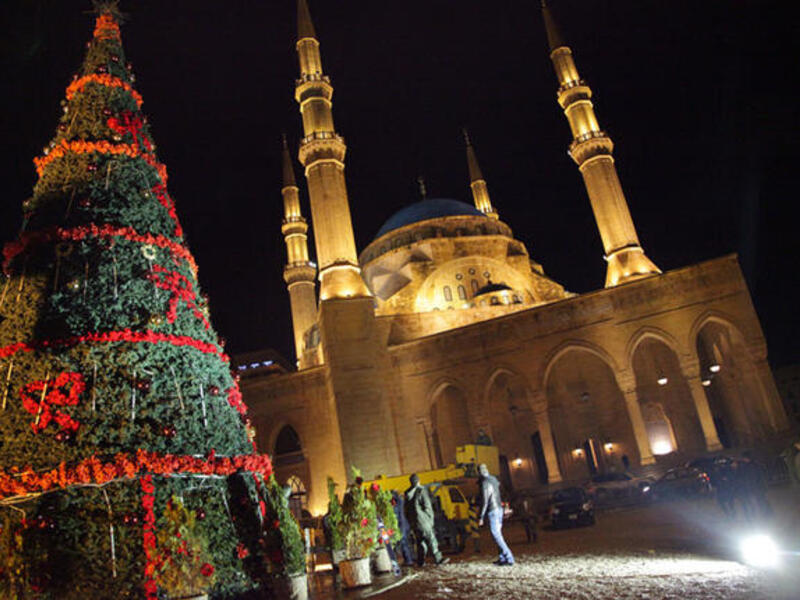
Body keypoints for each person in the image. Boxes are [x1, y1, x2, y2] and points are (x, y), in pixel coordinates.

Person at [404, 474, 449, 566]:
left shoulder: (407, 493)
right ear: (418, 481)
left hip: (414, 522)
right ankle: (438, 558)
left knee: (420, 541)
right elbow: (428, 507)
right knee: (432, 539)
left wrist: (411, 522)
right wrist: (430, 521)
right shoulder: (421, 491)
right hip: (424, 521)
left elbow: (406, 511)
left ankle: (421, 561)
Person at [477, 463, 514, 566]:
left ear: (479, 472)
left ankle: (509, 557)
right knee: (499, 534)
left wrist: (481, 517)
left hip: (492, 511)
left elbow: (485, 501)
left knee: (496, 535)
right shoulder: (494, 480)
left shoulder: (485, 483)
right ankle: (502, 558)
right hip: (499, 509)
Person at [391, 490, 414, 566]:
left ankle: (409, 560)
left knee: (403, 543)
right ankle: (410, 558)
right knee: (406, 543)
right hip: (405, 525)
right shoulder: (400, 503)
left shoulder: (395, 507)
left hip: (401, 526)